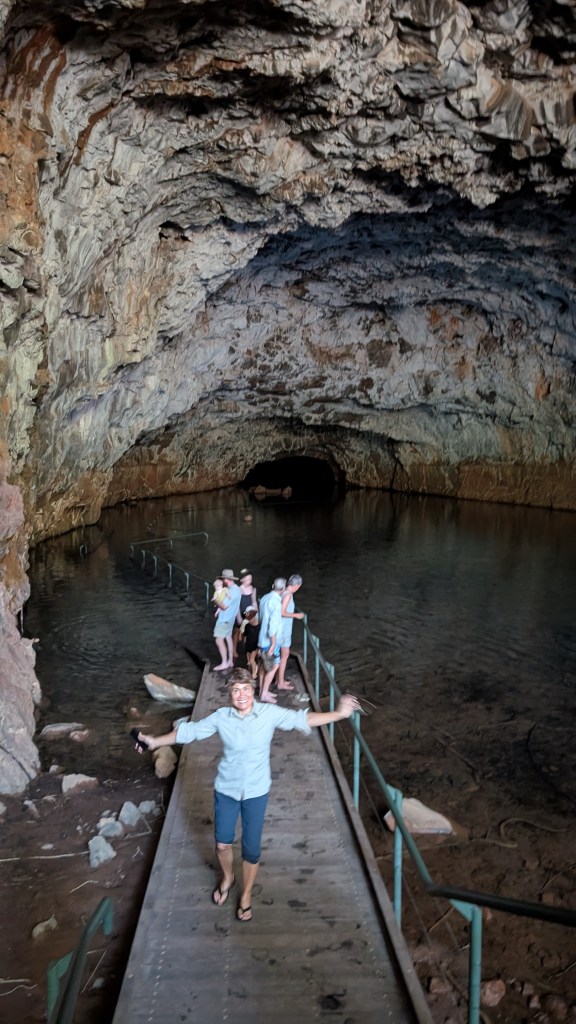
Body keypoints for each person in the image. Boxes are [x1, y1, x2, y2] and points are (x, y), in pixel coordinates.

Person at [137, 668, 360, 922]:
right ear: (229, 694)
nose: (241, 695)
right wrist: (155, 742)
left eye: (245, 688)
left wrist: (340, 714)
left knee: (251, 850)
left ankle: (245, 895)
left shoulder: (268, 713)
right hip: (226, 789)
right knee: (222, 843)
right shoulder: (222, 717)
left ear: (253, 689)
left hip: (256, 791)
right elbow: (190, 731)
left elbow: (302, 719)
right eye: (235, 690)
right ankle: (228, 877)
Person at [257, 577, 285, 703]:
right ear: (283, 589)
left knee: (263, 665)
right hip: (270, 641)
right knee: (274, 665)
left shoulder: (264, 598)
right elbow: (272, 625)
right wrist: (273, 643)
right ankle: (264, 693)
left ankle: (262, 690)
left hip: (262, 638)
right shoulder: (276, 602)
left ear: (273, 586)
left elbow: (261, 618)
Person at [276, 574, 305, 691]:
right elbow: (282, 612)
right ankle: (280, 682)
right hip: (283, 631)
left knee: (282, 656)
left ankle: (279, 679)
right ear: (297, 585)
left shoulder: (283, 592)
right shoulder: (288, 595)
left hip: (281, 630)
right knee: (284, 656)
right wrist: (296, 615)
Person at [212, 569, 241, 671]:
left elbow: (224, 606)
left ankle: (224, 663)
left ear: (225, 579)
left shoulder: (231, 591)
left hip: (224, 619)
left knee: (219, 640)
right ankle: (230, 661)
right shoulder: (237, 589)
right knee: (228, 638)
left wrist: (215, 599)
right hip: (231, 619)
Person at [232, 569, 257, 660]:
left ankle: (246, 649)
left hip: (249, 612)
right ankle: (233, 650)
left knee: (248, 631)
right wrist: (238, 617)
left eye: (250, 579)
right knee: (237, 631)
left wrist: (256, 612)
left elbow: (254, 601)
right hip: (240, 611)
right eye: (247, 579)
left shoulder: (253, 589)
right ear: (242, 580)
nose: (249, 581)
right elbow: (237, 604)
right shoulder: (239, 590)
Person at [239, 605, 259, 679]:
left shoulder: (259, 626)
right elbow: (244, 635)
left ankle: (254, 674)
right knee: (249, 661)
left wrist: (259, 648)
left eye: (250, 618)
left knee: (252, 659)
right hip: (248, 645)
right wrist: (243, 642)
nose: (249, 620)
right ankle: (250, 672)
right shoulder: (247, 625)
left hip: (255, 646)